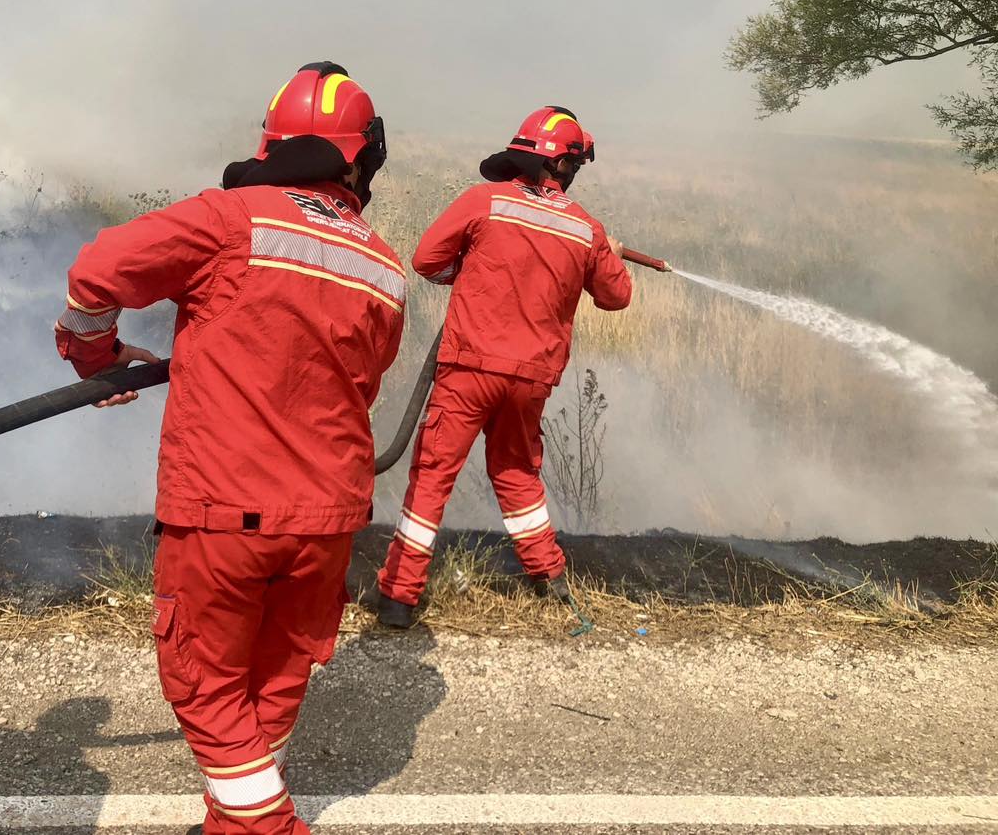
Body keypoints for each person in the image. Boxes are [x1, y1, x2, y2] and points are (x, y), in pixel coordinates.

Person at [54, 62, 404, 834]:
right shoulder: (383, 266)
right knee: (274, 684)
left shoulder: (232, 217)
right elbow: (361, 386)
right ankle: (237, 814)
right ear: (361, 158)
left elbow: (95, 273)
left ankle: (260, 823)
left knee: (204, 685)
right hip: (328, 520)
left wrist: (97, 358)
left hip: (225, 513)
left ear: (273, 143)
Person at [374, 106, 631, 628]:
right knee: (516, 472)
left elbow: (427, 260)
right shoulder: (585, 229)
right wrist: (612, 255)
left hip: (468, 368)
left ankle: (399, 597)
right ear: (565, 167)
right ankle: (550, 578)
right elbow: (617, 296)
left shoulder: (484, 200)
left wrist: (468, 271)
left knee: (433, 475)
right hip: (532, 378)